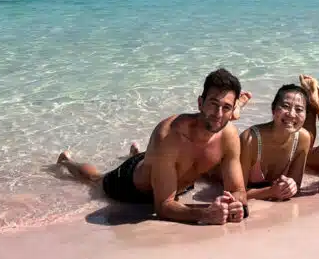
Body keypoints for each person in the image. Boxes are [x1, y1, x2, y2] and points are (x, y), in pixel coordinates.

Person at [55, 68, 248, 225]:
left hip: (174, 175)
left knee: (160, 163)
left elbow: (237, 189)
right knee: (96, 179)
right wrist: (205, 214)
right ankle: (67, 161)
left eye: (227, 107)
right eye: (213, 104)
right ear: (200, 103)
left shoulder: (228, 136)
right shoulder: (169, 135)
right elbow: (163, 206)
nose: (218, 113)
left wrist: (237, 205)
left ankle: (138, 154)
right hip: (133, 187)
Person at [240, 82, 311, 201]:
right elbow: (236, 192)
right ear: (273, 109)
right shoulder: (250, 139)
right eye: (285, 106)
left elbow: (296, 186)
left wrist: (291, 187)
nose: (291, 114)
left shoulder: (303, 138)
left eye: (299, 109)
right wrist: (271, 191)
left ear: (305, 115)